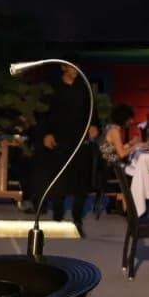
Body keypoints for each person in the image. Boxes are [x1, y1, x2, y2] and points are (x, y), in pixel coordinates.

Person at [28, 61, 92, 237]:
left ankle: (77, 217)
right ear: (64, 68)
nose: (76, 71)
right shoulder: (53, 88)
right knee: (58, 176)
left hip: (79, 138)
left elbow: (90, 111)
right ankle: (58, 214)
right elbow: (44, 114)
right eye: (72, 67)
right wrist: (46, 133)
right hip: (59, 137)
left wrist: (93, 125)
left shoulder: (84, 87)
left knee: (80, 178)